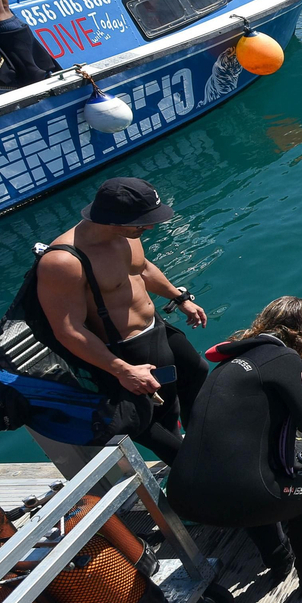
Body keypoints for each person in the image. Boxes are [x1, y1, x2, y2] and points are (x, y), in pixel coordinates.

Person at [166, 297, 302, 593]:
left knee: (243, 475)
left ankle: (278, 559)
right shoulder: (284, 359)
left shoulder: (227, 364)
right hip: (241, 501)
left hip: (182, 499)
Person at [36, 178, 210, 464]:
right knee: (146, 418)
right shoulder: (64, 262)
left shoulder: (128, 234)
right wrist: (122, 370)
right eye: (143, 222)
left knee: (195, 373)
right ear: (112, 220)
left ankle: (204, 440)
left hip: (157, 330)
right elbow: (68, 330)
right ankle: (192, 470)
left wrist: (180, 299)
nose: (150, 227)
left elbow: (142, 268)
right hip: (126, 351)